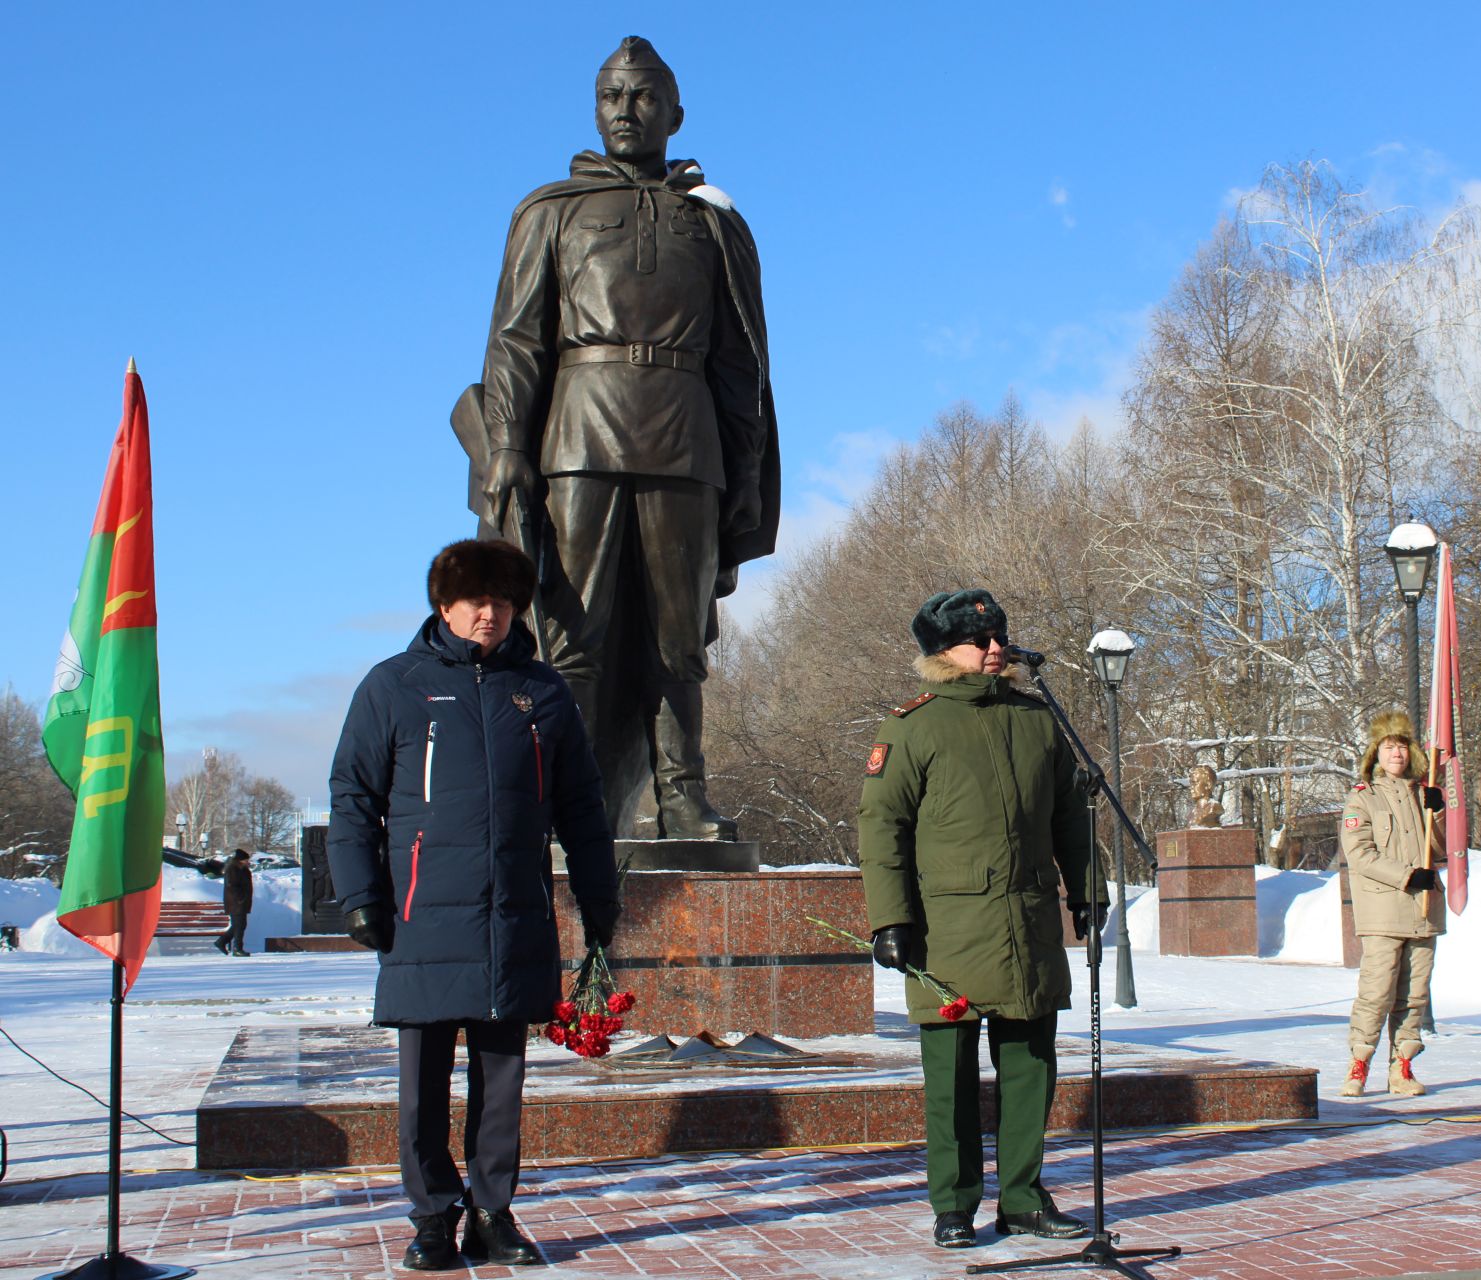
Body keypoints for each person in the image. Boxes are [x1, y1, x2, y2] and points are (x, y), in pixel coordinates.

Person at [464, 35, 780, 844]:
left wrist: (744, 470)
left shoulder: (711, 225)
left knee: (679, 636)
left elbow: (741, 361)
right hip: (580, 434)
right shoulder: (550, 212)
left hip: (685, 437)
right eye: (612, 96)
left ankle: (682, 795)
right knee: (575, 631)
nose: (627, 111)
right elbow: (517, 340)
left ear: (675, 112)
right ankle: (563, 793)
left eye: (643, 97)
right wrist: (506, 443)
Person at [327, 539, 621, 1271]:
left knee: (502, 1081)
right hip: (423, 915)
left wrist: (598, 897)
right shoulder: (393, 685)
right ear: (443, 605)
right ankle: (432, 1216)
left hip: (513, 913)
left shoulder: (543, 692)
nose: (488, 615)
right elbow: (353, 797)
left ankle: (493, 1211)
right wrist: (361, 895)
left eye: (501, 602)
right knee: (422, 1083)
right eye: (474, 602)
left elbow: (582, 807)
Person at [857, 589, 1105, 1250]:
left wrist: (1088, 890)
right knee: (953, 1080)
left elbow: (1069, 819)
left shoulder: (1036, 721)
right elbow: (882, 829)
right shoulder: (913, 727)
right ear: (944, 651)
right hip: (946, 933)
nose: (996, 649)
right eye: (979, 639)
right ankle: (955, 1204)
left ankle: (1023, 1198)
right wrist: (891, 921)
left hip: (1027, 925)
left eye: (999, 637)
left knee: (1030, 1069)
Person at [1337, 711, 1447, 1098]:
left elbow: (1445, 850)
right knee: (1377, 991)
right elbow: (1360, 853)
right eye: (1388, 746)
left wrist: (1440, 813)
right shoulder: (1363, 798)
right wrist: (1405, 875)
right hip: (1384, 911)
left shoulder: (1425, 794)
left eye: (1401, 746)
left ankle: (1401, 1067)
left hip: (1424, 910)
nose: (1396, 753)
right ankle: (1359, 1064)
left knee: (1415, 995)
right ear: (1375, 754)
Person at [215, 848, 252, 956]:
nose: (247, 861)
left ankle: (221, 942)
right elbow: (232, 886)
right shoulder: (233, 869)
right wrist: (240, 897)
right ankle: (237, 948)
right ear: (240, 860)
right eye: (246, 860)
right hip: (236, 902)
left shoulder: (242, 869)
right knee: (239, 925)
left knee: (240, 925)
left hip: (241, 902)